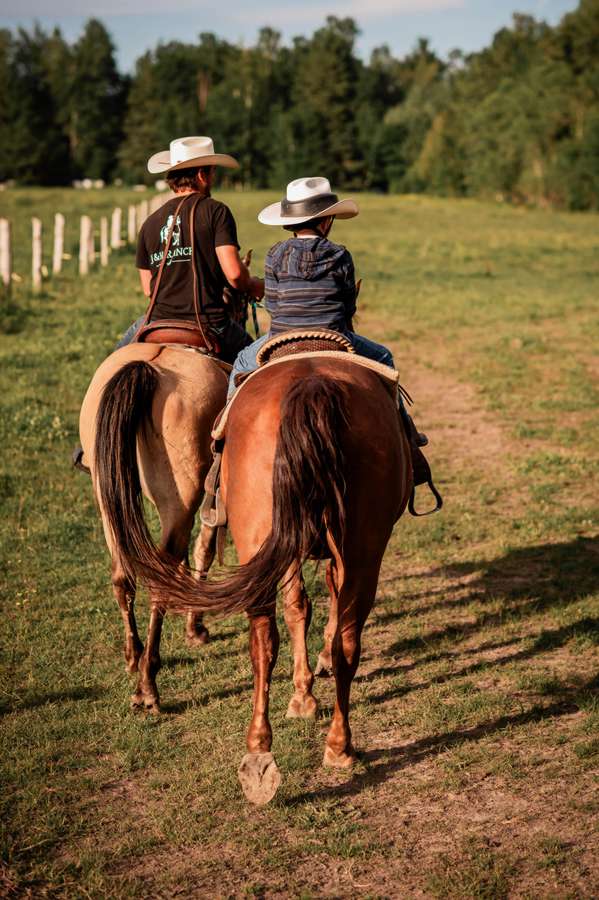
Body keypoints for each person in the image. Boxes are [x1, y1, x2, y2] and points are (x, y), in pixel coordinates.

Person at [227, 176, 439, 499]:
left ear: (290, 223)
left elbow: (272, 304)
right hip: (333, 336)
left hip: (280, 338)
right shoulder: (340, 255)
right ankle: (407, 436)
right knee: (384, 357)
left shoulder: (273, 255)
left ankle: (223, 436)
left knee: (241, 361)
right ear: (326, 221)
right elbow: (347, 307)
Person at [120, 135, 263, 362]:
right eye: (212, 172)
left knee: (115, 363)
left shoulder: (149, 223)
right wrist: (254, 284)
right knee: (256, 364)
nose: (213, 178)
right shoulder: (216, 211)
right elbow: (235, 274)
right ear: (201, 175)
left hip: (156, 320)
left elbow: (148, 288)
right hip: (208, 322)